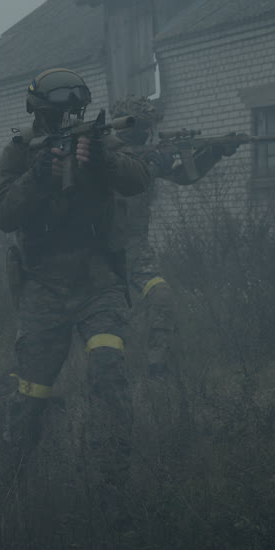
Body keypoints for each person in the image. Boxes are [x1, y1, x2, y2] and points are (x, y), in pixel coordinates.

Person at [0, 68, 150, 520]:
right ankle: (9, 488)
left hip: (98, 281)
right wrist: (37, 177)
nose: (65, 120)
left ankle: (113, 489)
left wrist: (102, 159)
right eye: (56, 113)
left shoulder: (98, 140)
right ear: (38, 112)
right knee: (30, 392)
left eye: (73, 112)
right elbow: (2, 214)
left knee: (108, 372)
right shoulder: (20, 151)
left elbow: (138, 178)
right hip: (44, 284)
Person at [111, 96, 240, 377]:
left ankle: (157, 367)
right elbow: (127, 180)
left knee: (162, 297)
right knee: (106, 322)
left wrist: (214, 152)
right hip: (102, 254)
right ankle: (108, 377)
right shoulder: (107, 156)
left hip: (136, 250)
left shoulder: (147, 154)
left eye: (149, 126)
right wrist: (155, 164)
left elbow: (183, 176)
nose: (147, 131)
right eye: (142, 126)